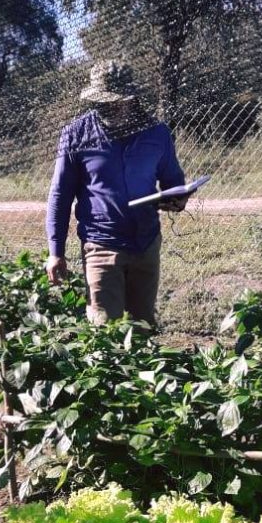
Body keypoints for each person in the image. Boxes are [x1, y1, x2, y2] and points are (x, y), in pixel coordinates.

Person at [45, 59, 189, 327]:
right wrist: (56, 252)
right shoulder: (75, 135)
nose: (107, 107)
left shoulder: (157, 134)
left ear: (131, 99)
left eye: (114, 101)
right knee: (106, 333)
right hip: (101, 246)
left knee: (143, 328)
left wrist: (177, 198)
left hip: (146, 244)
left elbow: (173, 180)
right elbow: (60, 196)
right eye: (100, 102)